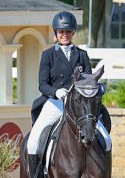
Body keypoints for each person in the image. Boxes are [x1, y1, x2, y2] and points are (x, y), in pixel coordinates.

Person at [27, 11, 112, 178]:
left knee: (107, 139)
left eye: (67, 32)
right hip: (55, 104)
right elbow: (42, 84)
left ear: (72, 32)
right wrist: (56, 92)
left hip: (78, 105)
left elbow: (88, 79)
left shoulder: (82, 54)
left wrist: (96, 87)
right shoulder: (48, 55)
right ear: (56, 33)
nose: (64, 35)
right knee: (33, 141)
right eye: (61, 32)